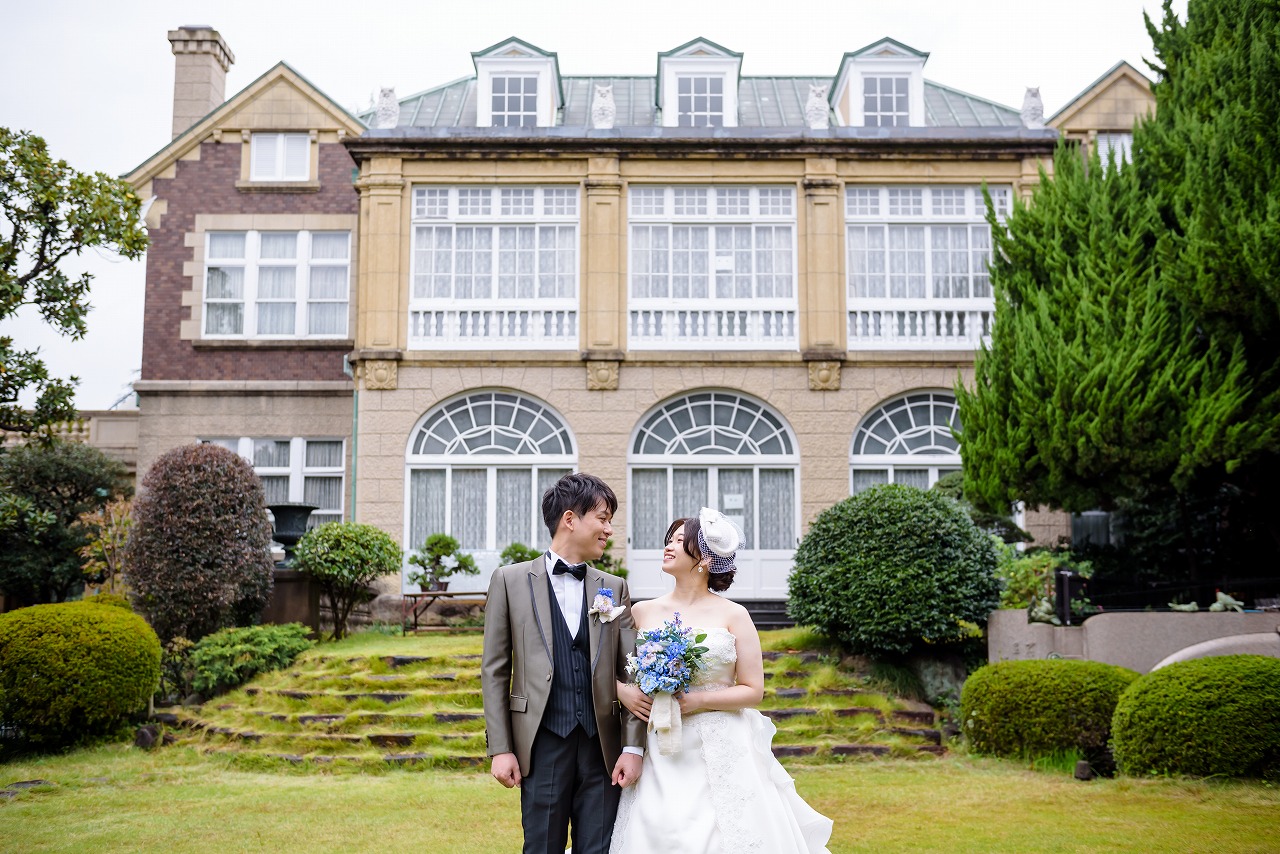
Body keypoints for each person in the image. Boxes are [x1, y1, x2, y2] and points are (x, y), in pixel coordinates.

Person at [610, 508, 833, 854]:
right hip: (660, 743)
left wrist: (697, 701)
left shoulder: (734, 615)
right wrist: (622, 690)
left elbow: (753, 690)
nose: (668, 547)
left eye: (679, 541)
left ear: (704, 559)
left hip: (720, 742)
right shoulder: (641, 612)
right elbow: (612, 671)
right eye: (668, 540)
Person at [482, 472, 646, 854]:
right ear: (570, 519)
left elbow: (634, 672)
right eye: (603, 518)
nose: (608, 530)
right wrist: (501, 748)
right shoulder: (509, 581)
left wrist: (633, 748)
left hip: (602, 748)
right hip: (541, 744)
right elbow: (494, 671)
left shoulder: (614, 586)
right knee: (541, 847)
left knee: (600, 849)